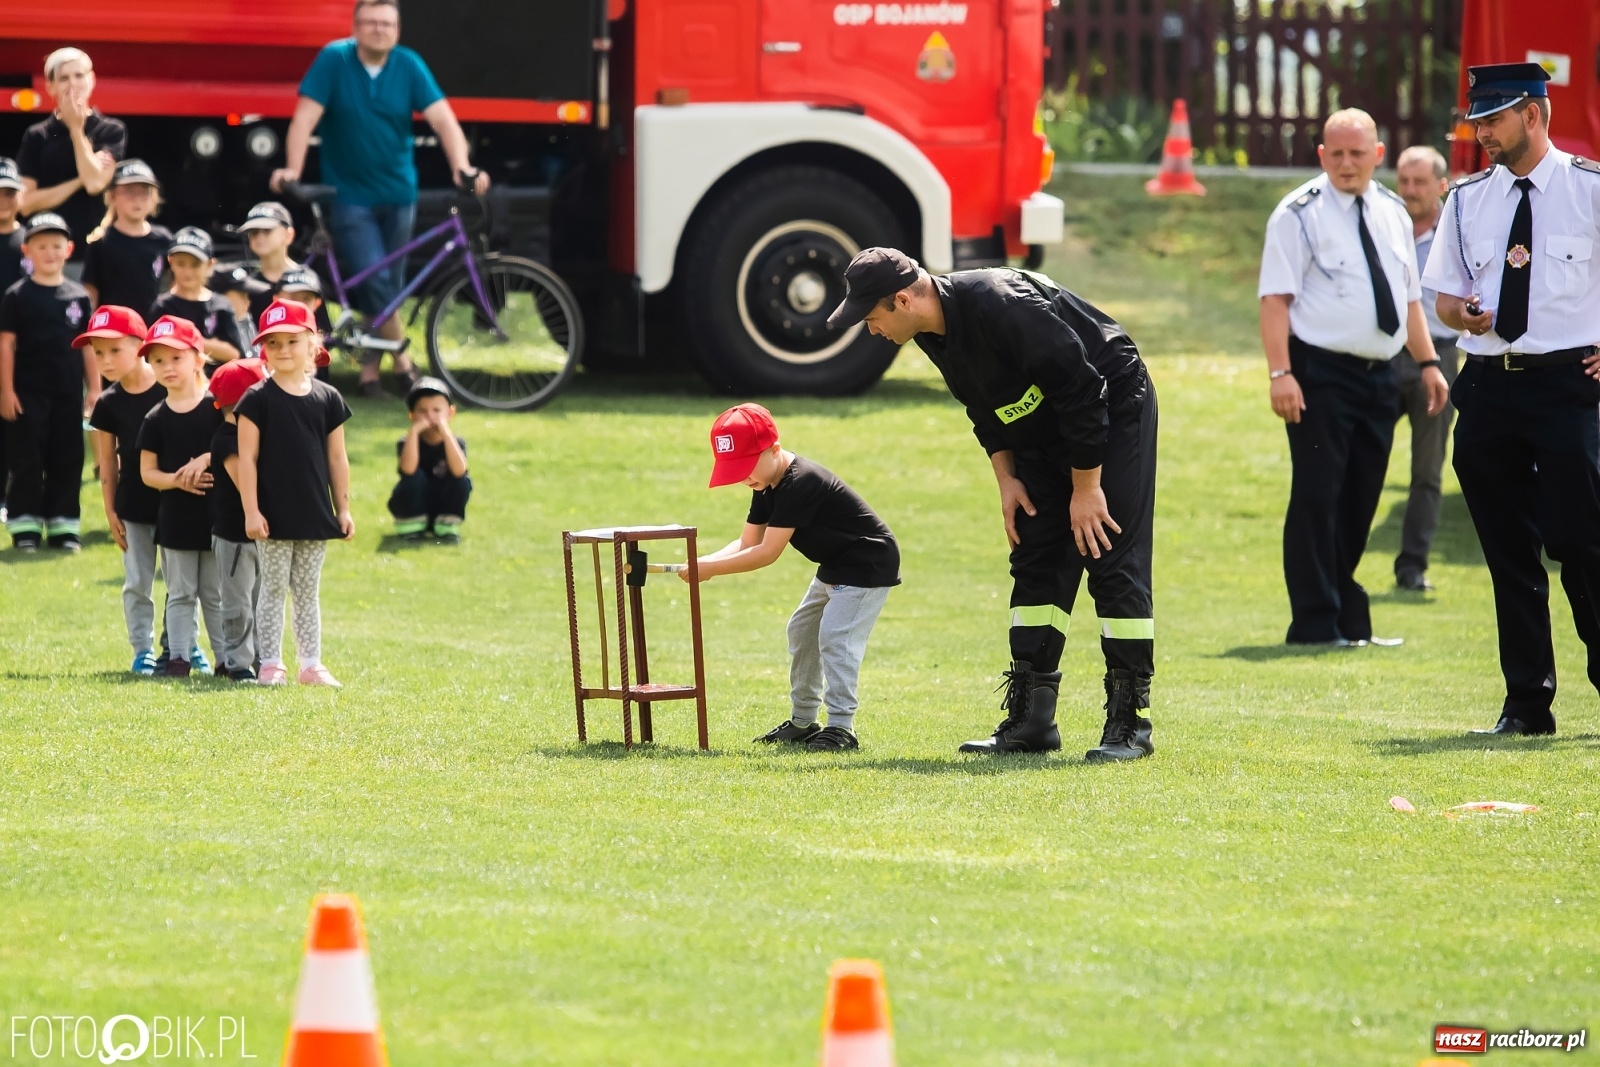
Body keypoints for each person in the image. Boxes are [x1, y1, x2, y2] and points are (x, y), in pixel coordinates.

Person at [834, 247, 1157, 762]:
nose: (870, 331)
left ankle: (1129, 724)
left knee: (1107, 550)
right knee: (1035, 553)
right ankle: (1031, 721)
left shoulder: (1003, 304)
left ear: (902, 299)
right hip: (1041, 424)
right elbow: (984, 406)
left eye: (872, 318)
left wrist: (1085, 487)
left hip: (1110, 406)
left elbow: (1082, 388)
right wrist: (1007, 479)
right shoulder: (928, 330)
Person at [1422, 63, 1600, 736]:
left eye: (1493, 120)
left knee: (1582, 541)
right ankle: (1527, 704)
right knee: (1508, 552)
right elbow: (1442, 291)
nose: (1483, 134)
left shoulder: (1589, 189)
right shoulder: (1468, 199)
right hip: (1491, 384)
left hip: (1567, 385)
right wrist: (1461, 313)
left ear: (1533, 114)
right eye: (1477, 123)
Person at [1258, 109, 1450, 646]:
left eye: (1357, 153)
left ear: (1378, 154)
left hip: (1382, 374)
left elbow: (1408, 298)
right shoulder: (1298, 214)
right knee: (1319, 494)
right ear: (1321, 154)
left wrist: (1430, 362)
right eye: (1336, 153)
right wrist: (1281, 373)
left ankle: (1346, 616)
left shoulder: (1391, 211)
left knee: (1362, 495)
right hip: (1319, 372)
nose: (1346, 164)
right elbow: (1275, 300)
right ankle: (1315, 624)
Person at [269, 0, 489, 398]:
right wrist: (293, 169)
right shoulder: (334, 60)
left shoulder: (408, 65)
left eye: (387, 23)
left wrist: (462, 166)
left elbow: (443, 119)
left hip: (400, 193)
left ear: (398, 30)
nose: (379, 30)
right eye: (370, 22)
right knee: (376, 279)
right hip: (351, 196)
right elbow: (305, 117)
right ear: (355, 27)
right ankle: (405, 365)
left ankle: (370, 375)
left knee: (388, 287)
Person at [686, 402, 899, 752]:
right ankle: (803, 722)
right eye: (734, 469)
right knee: (802, 630)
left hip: (866, 564)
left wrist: (707, 571)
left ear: (773, 449)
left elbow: (767, 553)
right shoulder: (765, 484)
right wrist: (700, 562)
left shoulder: (800, 482)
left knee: (835, 638)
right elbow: (746, 541)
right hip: (835, 563)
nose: (744, 478)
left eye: (746, 466)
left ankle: (842, 729)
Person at [235, 299, 354, 687]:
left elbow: (338, 458)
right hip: (272, 514)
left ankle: (311, 664)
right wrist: (251, 511)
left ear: (312, 345)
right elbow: (247, 460)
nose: (283, 350)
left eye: (292, 341)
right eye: (273, 343)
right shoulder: (256, 399)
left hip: (314, 513)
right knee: (271, 589)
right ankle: (270, 663)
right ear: (263, 349)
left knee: (307, 592)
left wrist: (343, 509)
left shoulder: (329, 398)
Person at [0, 212, 96, 551]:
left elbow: (88, 346)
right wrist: (6, 390)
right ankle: (25, 526)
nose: (50, 253)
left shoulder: (78, 296)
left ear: (69, 249)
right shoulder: (17, 295)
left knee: (68, 457)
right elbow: (6, 344)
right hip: (27, 393)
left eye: (56, 246)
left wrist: (94, 388)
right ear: (27, 251)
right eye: (42, 246)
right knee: (27, 457)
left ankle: (63, 525)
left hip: (68, 392)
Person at [136, 316, 225, 678]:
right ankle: (178, 658)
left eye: (176, 358)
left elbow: (236, 451)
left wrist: (208, 458)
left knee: (216, 595)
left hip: (218, 518)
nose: (167, 367)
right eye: (158, 360)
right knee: (181, 592)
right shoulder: (156, 418)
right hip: (175, 520)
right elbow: (147, 473)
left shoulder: (219, 410)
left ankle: (228, 660)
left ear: (198, 359)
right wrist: (177, 480)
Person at [1390, 145, 1462, 593]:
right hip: (1382, 354)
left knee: (1427, 468)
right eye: (1404, 181)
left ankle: (1412, 567)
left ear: (1442, 185)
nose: (1411, 191)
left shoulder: (1457, 233)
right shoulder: (1383, 226)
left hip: (1439, 354)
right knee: (1362, 461)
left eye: (1420, 182)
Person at [83, 306, 167, 674]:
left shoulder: (172, 387)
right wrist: (110, 510)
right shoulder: (106, 403)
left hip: (179, 503)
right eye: (98, 352)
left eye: (115, 349)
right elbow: (106, 464)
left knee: (186, 584)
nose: (106, 360)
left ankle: (181, 646)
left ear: (142, 345)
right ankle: (142, 649)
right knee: (137, 582)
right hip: (132, 505)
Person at [16, 48, 125, 268]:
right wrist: (78, 181)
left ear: (92, 80)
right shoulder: (37, 135)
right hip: (48, 257)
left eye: (79, 75)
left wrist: (76, 130)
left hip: (93, 254)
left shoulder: (111, 130)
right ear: (50, 86)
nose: (73, 84)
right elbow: (26, 203)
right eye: (64, 78)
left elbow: (95, 184)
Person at [206, 357, 269, 683]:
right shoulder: (228, 440)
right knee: (238, 604)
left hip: (260, 535)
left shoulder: (254, 437)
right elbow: (245, 481)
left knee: (260, 601)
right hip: (234, 536)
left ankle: (262, 659)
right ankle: (238, 663)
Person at [82, 159, 172, 315]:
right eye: (129, 191)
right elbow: (91, 292)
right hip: (112, 330)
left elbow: (175, 285)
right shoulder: (102, 241)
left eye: (144, 191)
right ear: (113, 196)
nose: (137, 199)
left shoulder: (164, 240)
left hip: (150, 329)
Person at [388, 375, 470, 542]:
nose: (430, 416)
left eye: (437, 410)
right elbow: (408, 470)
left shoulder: (456, 443)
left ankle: (447, 527)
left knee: (462, 482)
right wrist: (414, 433)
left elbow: (460, 471)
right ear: (411, 415)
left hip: (442, 503)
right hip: (416, 504)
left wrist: (446, 433)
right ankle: (411, 527)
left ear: (450, 412)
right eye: (422, 411)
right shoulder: (407, 442)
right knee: (414, 479)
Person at [150, 227, 246, 368]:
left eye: (195, 265)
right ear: (171, 262)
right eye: (181, 264)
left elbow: (234, 353)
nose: (187, 272)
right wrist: (211, 346)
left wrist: (185, 338)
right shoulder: (163, 306)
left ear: (209, 264)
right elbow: (155, 353)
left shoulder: (221, 305)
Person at [0, 158, 26, 523]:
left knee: (16, 426)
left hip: (24, 350)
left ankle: (11, 499)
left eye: (9, 192)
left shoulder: (32, 242)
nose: (3, 199)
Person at [272, 267, 334, 382]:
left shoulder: (318, 345)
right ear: (276, 299)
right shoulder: (266, 335)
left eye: (306, 299)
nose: (299, 305)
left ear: (317, 303)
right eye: (293, 298)